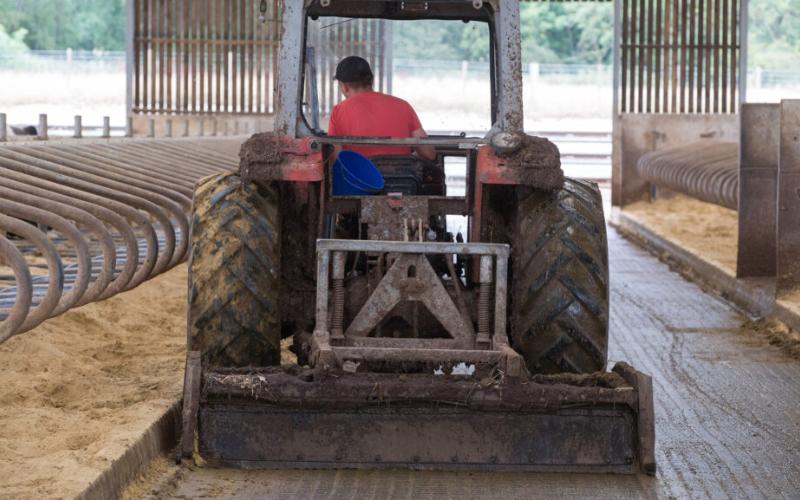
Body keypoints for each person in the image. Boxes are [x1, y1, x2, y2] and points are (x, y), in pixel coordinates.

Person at [327, 56, 436, 161]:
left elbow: (337, 159)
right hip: (402, 178)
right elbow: (429, 154)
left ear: (344, 86)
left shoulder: (338, 112)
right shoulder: (403, 106)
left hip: (360, 180)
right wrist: (410, 157)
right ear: (371, 81)